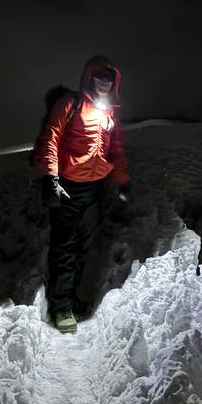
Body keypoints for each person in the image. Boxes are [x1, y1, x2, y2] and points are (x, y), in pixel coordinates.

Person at [34, 55, 130, 333]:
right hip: (67, 187)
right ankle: (60, 306)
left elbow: (115, 150)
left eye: (108, 80)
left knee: (81, 247)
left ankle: (69, 296)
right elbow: (51, 137)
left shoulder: (108, 111)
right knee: (64, 246)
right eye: (99, 78)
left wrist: (122, 182)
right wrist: (52, 178)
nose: (103, 84)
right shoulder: (70, 104)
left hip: (95, 189)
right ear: (90, 78)